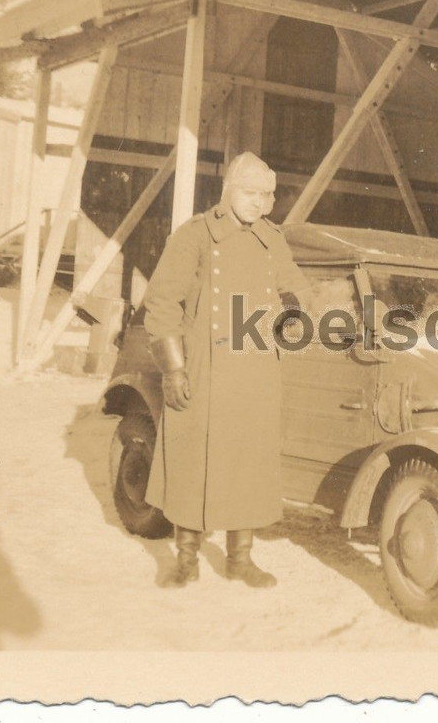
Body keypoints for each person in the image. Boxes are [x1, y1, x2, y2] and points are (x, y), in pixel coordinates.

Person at [142, 151, 311, 588]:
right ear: (229, 191)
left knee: (248, 464)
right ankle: (185, 559)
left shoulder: (272, 238)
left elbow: (294, 284)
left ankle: (240, 559)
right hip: (203, 366)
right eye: (250, 193)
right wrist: (173, 369)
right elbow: (161, 302)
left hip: (256, 366)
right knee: (192, 462)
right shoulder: (194, 236)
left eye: (266, 196)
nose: (258, 203)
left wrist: (295, 305)